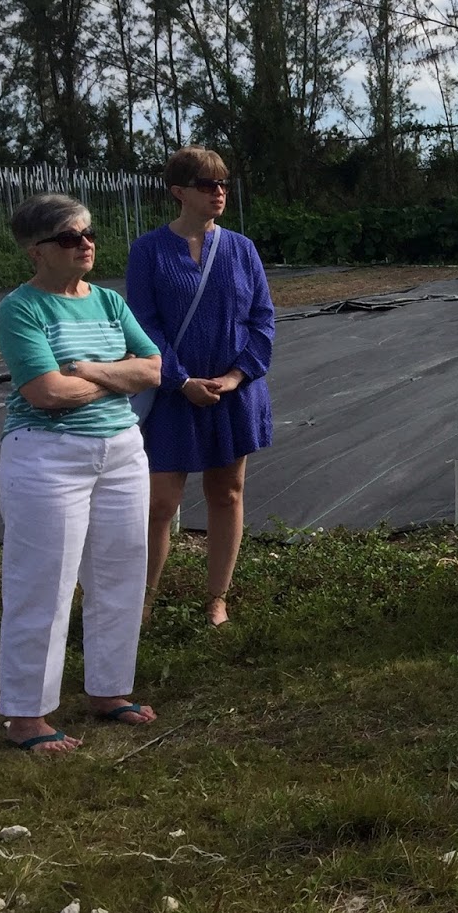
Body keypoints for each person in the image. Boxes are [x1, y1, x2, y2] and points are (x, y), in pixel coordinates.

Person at [0, 194, 163, 752]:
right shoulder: (21, 309)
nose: (85, 244)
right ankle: (26, 715)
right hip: (46, 456)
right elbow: (44, 393)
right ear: (36, 252)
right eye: (70, 238)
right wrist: (120, 375)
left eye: (88, 234)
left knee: (120, 573)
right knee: (42, 583)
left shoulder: (110, 302)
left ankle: (110, 691)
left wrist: (88, 370)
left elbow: (155, 367)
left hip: (121, 451)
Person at [129, 147, 275, 627]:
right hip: (175, 395)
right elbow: (143, 325)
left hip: (232, 392)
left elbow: (262, 319)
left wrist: (236, 376)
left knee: (227, 493)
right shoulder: (148, 251)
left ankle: (217, 599)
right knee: (160, 503)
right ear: (178, 192)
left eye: (223, 185)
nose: (219, 193)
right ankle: (143, 602)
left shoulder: (241, 249)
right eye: (208, 185)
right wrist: (180, 379)